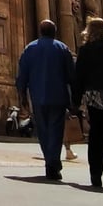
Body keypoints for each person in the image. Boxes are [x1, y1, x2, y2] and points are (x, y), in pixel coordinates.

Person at [16, 19, 75, 181]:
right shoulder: (62, 48)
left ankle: (51, 162)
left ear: (41, 32)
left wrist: (21, 94)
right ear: (54, 32)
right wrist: (74, 98)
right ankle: (52, 163)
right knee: (56, 131)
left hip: (38, 96)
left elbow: (22, 73)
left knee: (43, 131)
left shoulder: (30, 48)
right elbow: (71, 75)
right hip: (58, 96)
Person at [74, 16, 103, 188]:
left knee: (97, 136)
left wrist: (75, 100)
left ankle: (95, 174)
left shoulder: (85, 50)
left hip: (94, 96)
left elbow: (79, 77)